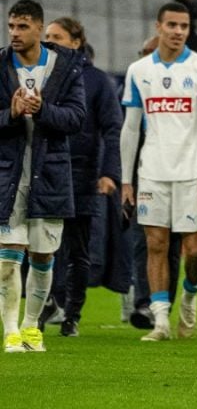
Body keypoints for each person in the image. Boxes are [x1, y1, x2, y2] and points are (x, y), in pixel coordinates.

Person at [119, 3, 197, 342]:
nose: (178, 31)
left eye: (184, 26)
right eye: (172, 25)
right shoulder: (138, 71)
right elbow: (131, 129)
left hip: (192, 174)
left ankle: (190, 294)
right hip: (152, 173)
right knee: (156, 245)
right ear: (158, 26)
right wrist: (126, 180)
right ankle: (161, 321)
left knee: (194, 250)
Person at [0, 0, 84, 353]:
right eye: (11, 27)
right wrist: (11, 113)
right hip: (9, 173)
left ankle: (32, 326)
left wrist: (43, 110)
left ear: (38, 27)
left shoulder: (66, 67)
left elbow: (77, 118)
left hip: (50, 173)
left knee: (43, 256)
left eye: (22, 27)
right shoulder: (1, 64)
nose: (14, 34)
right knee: (8, 256)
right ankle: (10, 332)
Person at [44, 17, 120, 338]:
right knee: (45, 244)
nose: (49, 41)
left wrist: (109, 172)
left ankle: (71, 314)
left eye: (56, 36)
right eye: (46, 36)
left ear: (76, 41)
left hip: (85, 173)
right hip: (47, 171)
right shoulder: (42, 74)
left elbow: (112, 128)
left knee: (78, 249)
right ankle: (49, 301)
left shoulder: (98, 81)